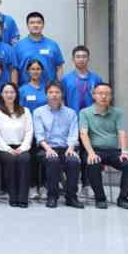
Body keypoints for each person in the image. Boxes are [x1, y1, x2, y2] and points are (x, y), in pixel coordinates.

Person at [79, 83, 128, 209]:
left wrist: (124, 152)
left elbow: (122, 132)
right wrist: (91, 153)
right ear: (94, 95)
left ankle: (123, 198)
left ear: (111, 96)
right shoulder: (85, 112)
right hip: (93, 150)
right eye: (100, 93)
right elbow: (83, 134)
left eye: (107, 94)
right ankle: (100, 198)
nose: (104, 96)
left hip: (113, 151)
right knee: (93, 163)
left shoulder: (117, 113)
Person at [34, 81, 83, 209]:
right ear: (46, 94)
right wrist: (48, 149)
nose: (54, 95)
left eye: (57, 92)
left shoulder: (71, 113)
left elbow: (73, 134)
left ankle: (71, 197)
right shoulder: (38, 112)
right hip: (46, 148)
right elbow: (39, 135)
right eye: (51, 92)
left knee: (73, 161)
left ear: (62, 94)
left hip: (67, 148)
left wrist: (71, 148)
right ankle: (52, 196)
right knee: (53, 160)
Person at [0, 83, 33, 207]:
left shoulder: (25, 111)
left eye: (12, 92)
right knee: (11, 160)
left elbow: (29, 131)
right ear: (1, 95)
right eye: (6, 92)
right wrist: (8, 149)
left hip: (22, 147)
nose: (9, 95)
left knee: (24, 159)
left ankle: (23, 198)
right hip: (4, 148)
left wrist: (22, 148)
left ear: (16, 94)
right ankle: (13, 196)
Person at [14, 11, 65, 88]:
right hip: (25, 90)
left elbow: (59, 67)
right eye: (32, 23)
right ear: (27, 25)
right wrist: (15, 89)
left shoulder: (52, 45)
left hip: (49, 90)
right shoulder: (18, 46)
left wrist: (59, 87)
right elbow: (14, 70)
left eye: (38, 22)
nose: (35, 25)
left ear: (43, 25)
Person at [61, 45, 102, 113]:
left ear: (88, 59)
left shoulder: (96, 79)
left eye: (84, 57)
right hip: (72, 116)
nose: (81, 59)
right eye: (78, 57)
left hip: (92, 116)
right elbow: (62, 100)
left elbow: (101, 100)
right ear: (73, 59)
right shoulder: (66, 79)